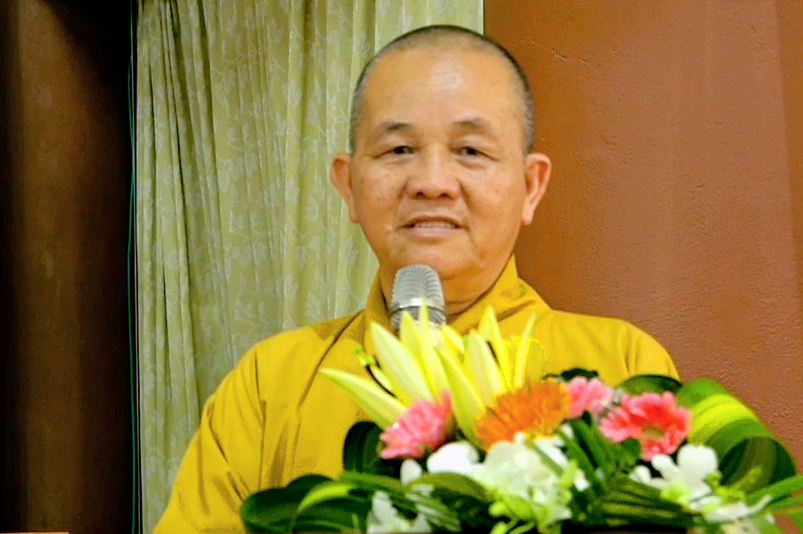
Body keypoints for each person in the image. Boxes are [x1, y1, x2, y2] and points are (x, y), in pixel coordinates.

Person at [154, 25, 678, 532]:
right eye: (399, 150)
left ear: (531, 185)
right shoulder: (269, 386)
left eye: (470, 151)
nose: (431, 183)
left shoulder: (620, 369)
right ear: (348, 185)